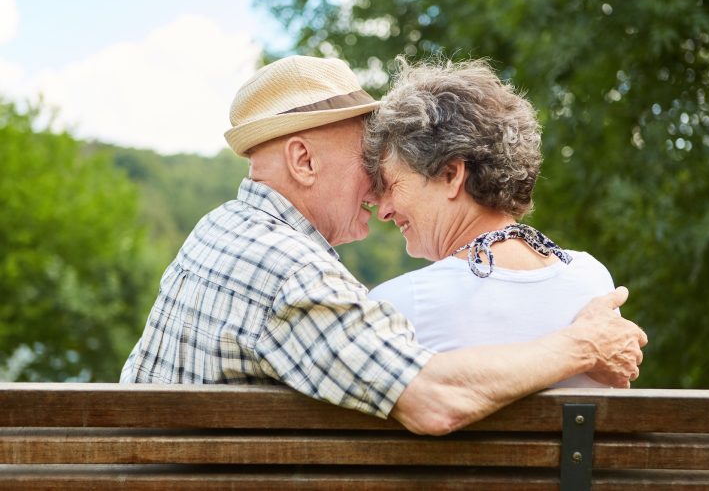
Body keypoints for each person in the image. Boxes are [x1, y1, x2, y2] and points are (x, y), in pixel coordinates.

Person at [121, 55, 647, 435]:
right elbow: (436, 400)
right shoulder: (293, 272)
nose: (376, 190)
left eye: (386, 174)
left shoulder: (220, 232)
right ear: (303, 161)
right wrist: (583, 344)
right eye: (368, 163)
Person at [365, 57, 621, 388]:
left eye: (391, 185)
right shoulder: (592, 281)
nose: (383, 210)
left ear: (451, 174)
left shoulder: (399, 306)